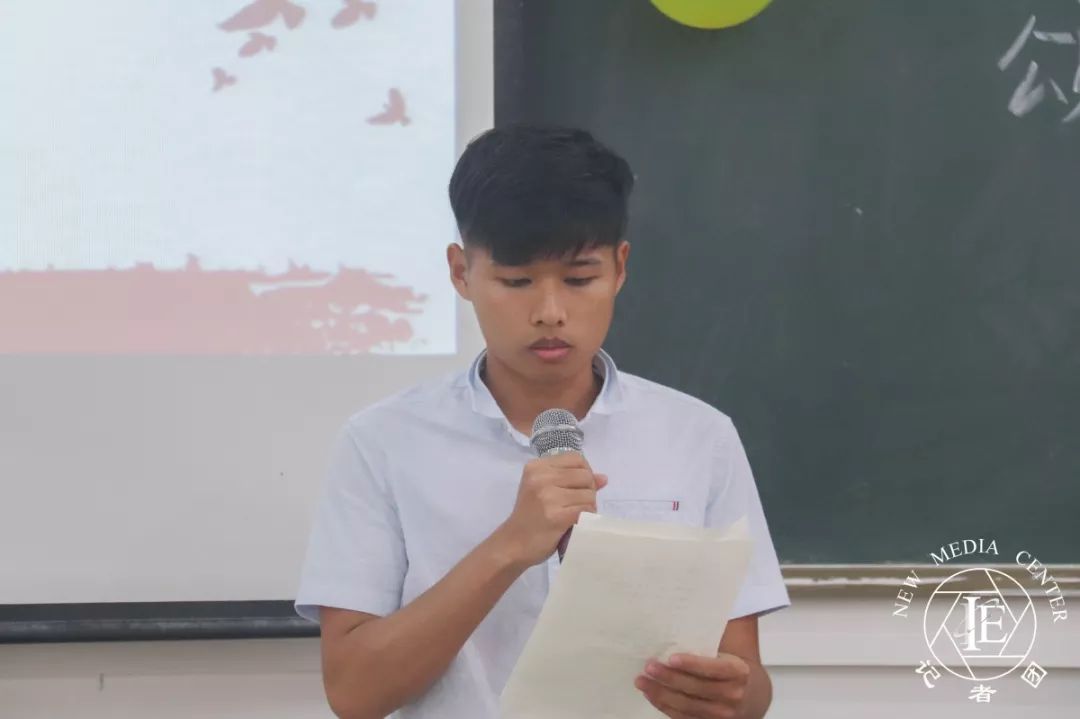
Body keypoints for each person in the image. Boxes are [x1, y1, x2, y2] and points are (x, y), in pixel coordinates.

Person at [294, 124, 789, 719]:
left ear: (620, 267)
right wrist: (511, 546)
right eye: (516, 281)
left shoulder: (699, 437)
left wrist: (727, 695)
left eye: (580, 279)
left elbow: (748, 686)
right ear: (460, 272)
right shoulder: (382, 442)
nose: (550, 312)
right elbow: (354, 692)